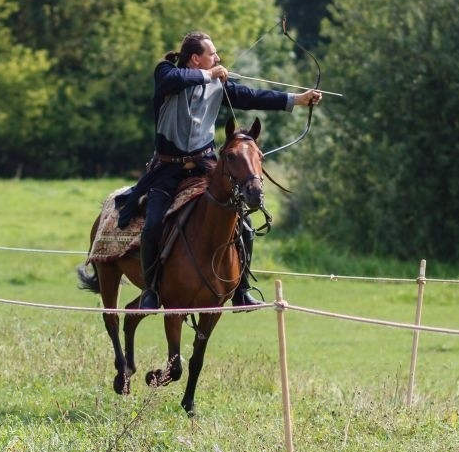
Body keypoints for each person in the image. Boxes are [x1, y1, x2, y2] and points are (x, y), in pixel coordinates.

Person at [115, 31, 322, 309]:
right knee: (152, 225)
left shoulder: (216, 83)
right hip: (166, 170)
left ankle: (241, 290)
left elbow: (252, 97)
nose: (218, 58)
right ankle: (151, 291)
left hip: (205, 167)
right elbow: (173, 80)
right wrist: (211, 74)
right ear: (196, 59)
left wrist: (297, 100)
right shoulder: (167, 73)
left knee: (245, 226)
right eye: (213, 54)